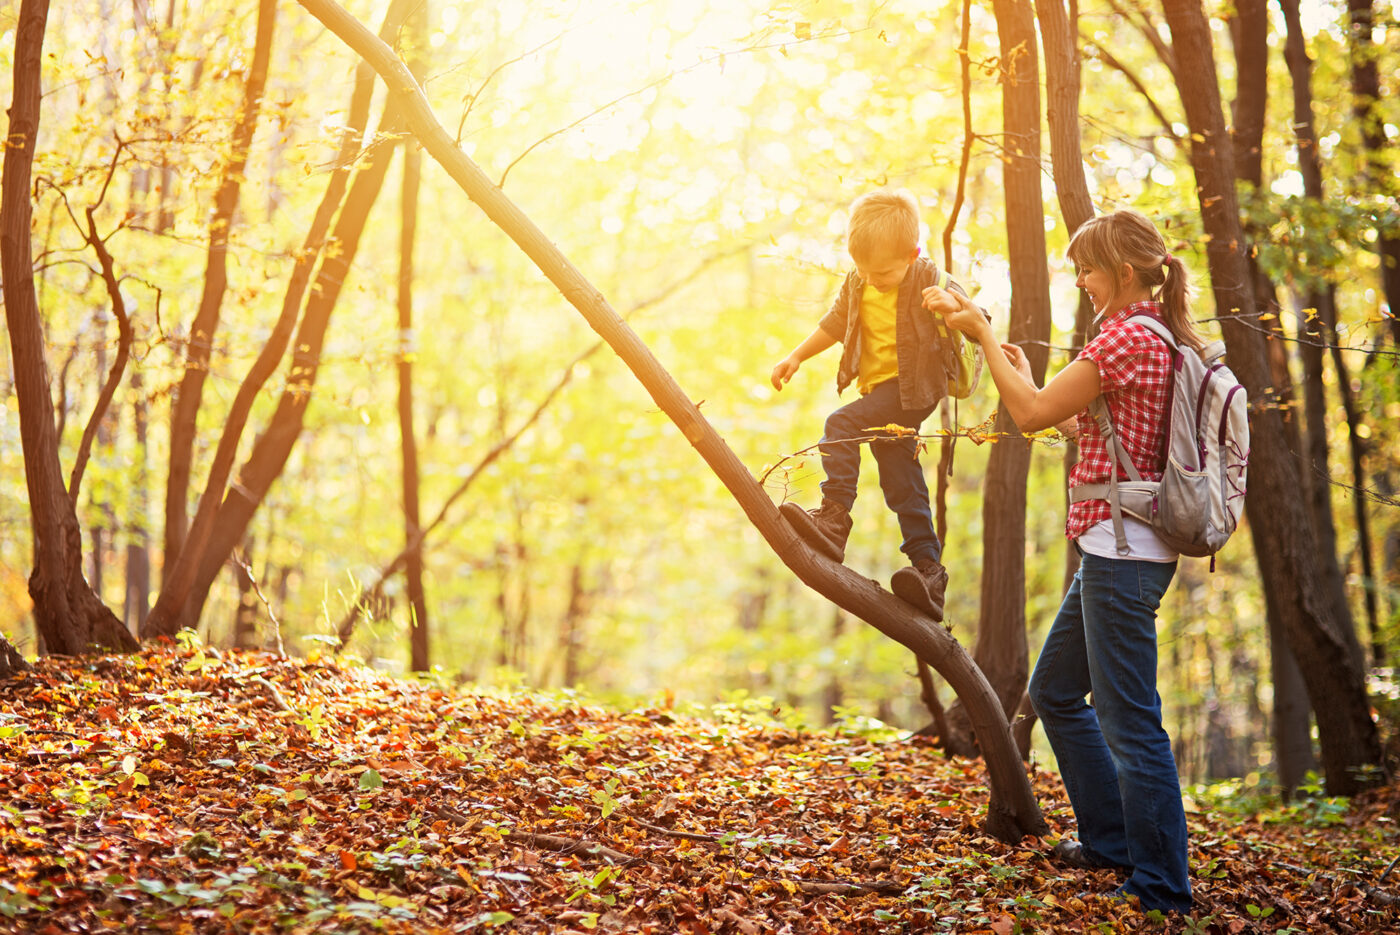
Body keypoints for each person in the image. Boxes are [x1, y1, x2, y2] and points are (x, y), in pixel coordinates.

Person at [924, 208, 1196, 914]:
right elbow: (1079, 422)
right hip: (1114, 548)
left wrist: (984, 334)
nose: (1081, 280)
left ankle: (1163, 885)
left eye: (1089, 269)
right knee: (1054, 691)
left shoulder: (1129, 337)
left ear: (1125, 274)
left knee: (1131, 719)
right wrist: (1018, 370)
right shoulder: (1143, 336)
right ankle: (1109, 841)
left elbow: (1031, 416)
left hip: (1122, 553)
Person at [769, 189, 973, 620]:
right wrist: (796, 356)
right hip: (879, 393)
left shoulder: (929, 277)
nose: (873, 279)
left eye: (883, 272)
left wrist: (952, 304)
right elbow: (834, 325)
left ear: (912, 253)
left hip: (912, 391)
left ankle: (834, 519)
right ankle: (928, 572)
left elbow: (979, 319)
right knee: (901, 477)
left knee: (840, 424)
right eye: (864, 270)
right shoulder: (858, 280)